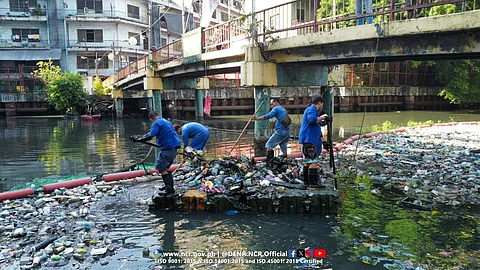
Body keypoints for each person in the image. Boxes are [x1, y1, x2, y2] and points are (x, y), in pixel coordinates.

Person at [131, 111, 180, 195]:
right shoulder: (165, 121)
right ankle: (168, 186)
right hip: (174, 148)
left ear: (152, 119)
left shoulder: (156, 123)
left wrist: (139, 139)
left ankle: (169, 189)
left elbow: (151, 135)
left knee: (160, 168)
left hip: (167, 149)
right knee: (167, 168)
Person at [298, 96, 330, 187]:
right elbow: (312, 120)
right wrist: (323, 117)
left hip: (310, 140)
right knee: (314, 161)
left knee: (308, 161)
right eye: (322, 104)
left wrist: (324, 142)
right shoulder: (311, 109)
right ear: (319, 103)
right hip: (308, 140)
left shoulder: (315, 112)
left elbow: (317, 129)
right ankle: (313, 184)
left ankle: (306, 182)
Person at [251, 97, 291, 167]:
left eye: (272, 104)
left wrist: (257, 118)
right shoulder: (283, 109)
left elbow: (268, 116)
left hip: (280, 131)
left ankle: (269, 164)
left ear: (276, 102)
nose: (271, 106)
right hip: (287, 132)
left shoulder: (276, 109)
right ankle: (284, 164)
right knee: (284, 148)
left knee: (269, 145)